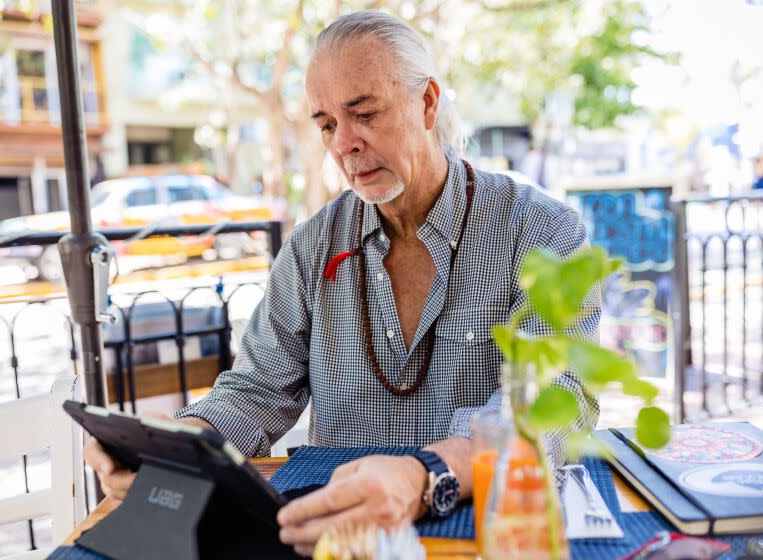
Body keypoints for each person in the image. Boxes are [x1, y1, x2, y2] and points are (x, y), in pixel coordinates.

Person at [84, 10, 600, 557]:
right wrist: (177, 448)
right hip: (343, 541)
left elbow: (554, 399)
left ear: (427, 103)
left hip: (484, 532)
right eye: (327, 124)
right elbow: (257, 391)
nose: (343, 144)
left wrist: (425, 474)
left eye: (365, 113)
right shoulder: (312, 248)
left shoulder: (543, 232)